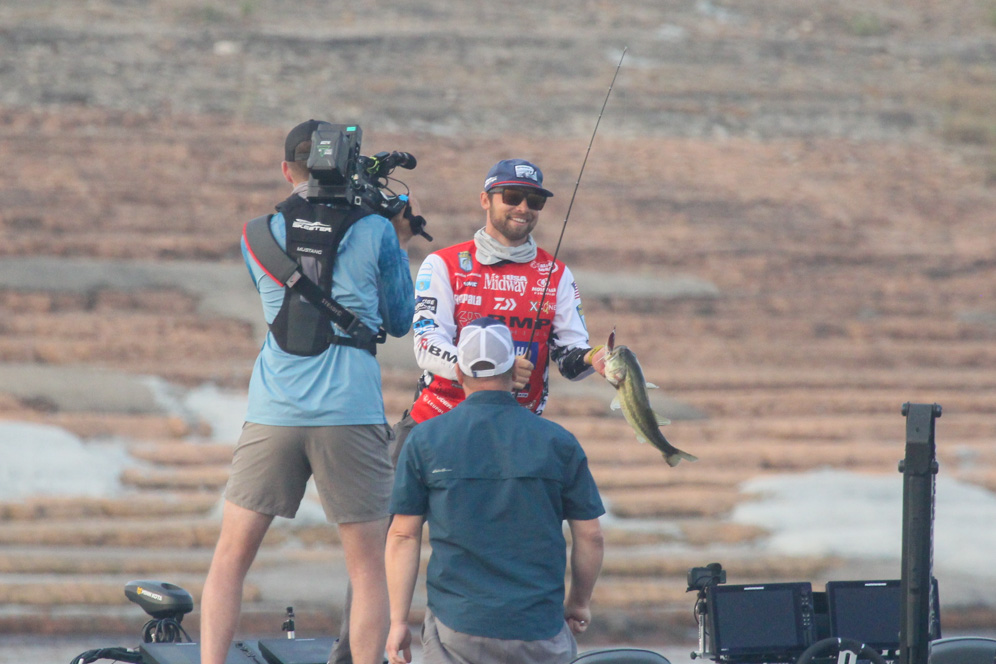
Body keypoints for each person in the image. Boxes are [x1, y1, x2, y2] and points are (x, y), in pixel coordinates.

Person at [199, 119, 418, 664]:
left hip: (273, 409)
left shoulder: (256, 234)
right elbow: (400, 319)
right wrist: (397, 238)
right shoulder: (375, 230)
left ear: (286, 170)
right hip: (350, 412)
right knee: (367, 570)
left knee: (230, 558)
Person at [385, 316, 605, 664]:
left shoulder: (425, 439)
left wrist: (398, 621)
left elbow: (402, 536)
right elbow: (590, 535)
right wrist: (579, 603)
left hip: (456, 629)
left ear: (459, 373)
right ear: (514, 372)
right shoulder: (559, 442)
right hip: (540, 631)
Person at [393, 158, 606, 460]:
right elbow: (427, 346)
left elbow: (569, 358)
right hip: (437, 423)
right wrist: (500, 369)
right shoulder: (443, 264)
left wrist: (594, 357)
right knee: (390, 491)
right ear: (485, 200)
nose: (523, 208)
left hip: (515, 435)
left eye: (534, 201)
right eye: (512, 197)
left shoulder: (557, 274)